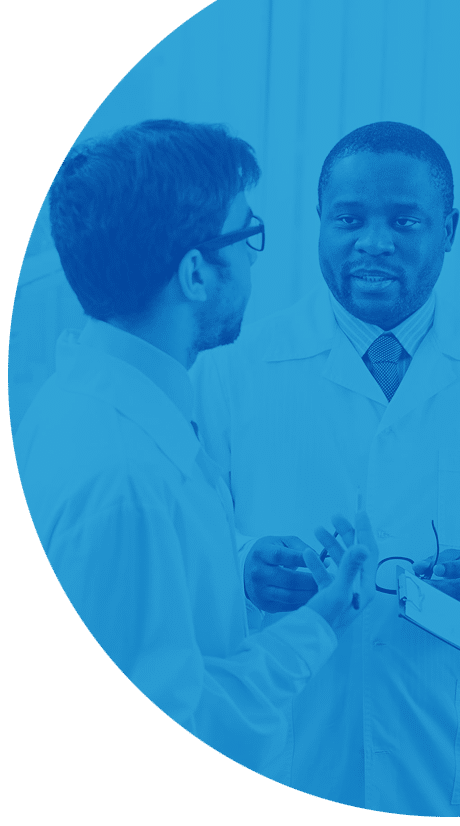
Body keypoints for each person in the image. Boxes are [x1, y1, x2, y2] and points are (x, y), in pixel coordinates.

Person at [191, 121, 460, 814]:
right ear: (319, 224)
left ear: (449, 229)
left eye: (404, 220)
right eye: (350, 218)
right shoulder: (228, 372)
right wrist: (243, 565)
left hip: (455, 751)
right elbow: (184, 535)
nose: (373, 242)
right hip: (288, 736)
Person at [13, 120, 377, 785]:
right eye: (246, 235)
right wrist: (319, 625)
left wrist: (234, 564)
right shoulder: (126, 477)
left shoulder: (84, 401)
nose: (253, 257)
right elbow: (183, 731)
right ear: (196, 273)